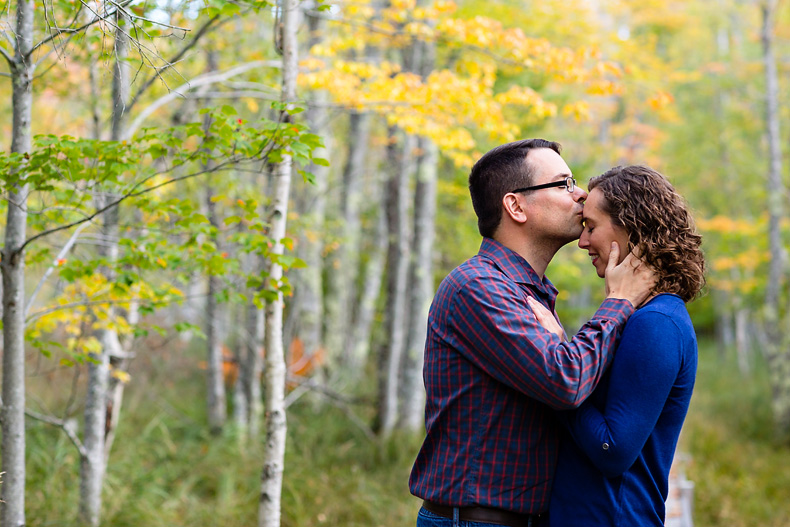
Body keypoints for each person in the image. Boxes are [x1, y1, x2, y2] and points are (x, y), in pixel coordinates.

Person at [409, 139, 656, 527]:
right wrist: (620, 301)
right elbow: (565, 381)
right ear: (516, 206)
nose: (580, 195)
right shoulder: (478, 287)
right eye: (563, 183)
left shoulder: (529, 291)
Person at [532, 165, 705, 527]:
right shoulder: (639, 316)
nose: (582, 242)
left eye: (591, 227)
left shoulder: (656, 322)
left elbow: (612, 450)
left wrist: (556, 370)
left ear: (631, 226)